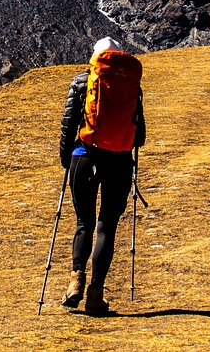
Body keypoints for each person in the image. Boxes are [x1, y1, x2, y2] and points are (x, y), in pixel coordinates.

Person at [58, 36, 146, 315]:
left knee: (84, 222)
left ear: (95, 58)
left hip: (84, 157)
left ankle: (75, 282)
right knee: (106, 225)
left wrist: (66, 160)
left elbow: (68, 124)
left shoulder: (82, 82)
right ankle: (95, 294)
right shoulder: (132, 85)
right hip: (119, 162)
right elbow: (140, 135)